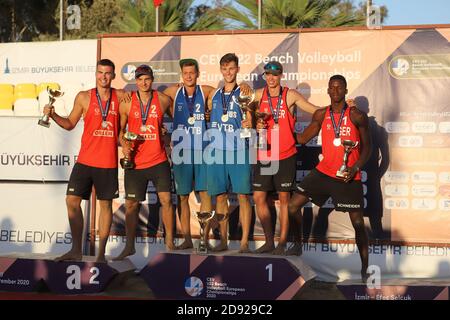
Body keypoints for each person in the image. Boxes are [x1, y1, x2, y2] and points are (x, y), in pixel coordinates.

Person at [44, 59, 129, 262]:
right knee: (71, 201)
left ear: (114, 76)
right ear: (95, 73)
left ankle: (100, 255)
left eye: (108, 73)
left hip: (107, 162)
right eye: (100, 72)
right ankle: (76, 250)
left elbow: (143, 97)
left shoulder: (121, 96)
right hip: (85, 161)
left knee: (105, 206)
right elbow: (70, 123)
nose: (103, 77)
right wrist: (53, 115)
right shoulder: (84, 97)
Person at [288, 75, 371, 280]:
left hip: (347, 176)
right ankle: (298, 244)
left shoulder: (357, 115)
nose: (335, 91)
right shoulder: (321, 114)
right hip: (324, 172)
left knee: (359, 224)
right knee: (292, 206)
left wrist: (355, 167)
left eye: (339, 87)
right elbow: (302, 138)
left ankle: (365, 269)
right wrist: (283, 124)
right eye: (332, 88)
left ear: (345, 90)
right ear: (327, 91)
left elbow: (368, 148)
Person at [251, 61, 319, 255]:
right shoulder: (257, 95)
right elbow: (246, 117)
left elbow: (316, 110)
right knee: (259, 196)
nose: (271, 79)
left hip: (286, 153)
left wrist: (341, 106)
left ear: (281, 76)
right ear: (265, 76)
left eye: (275, 75)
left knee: (284, 200)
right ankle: (269, 241)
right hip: (264, 152)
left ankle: (282, 242)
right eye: (268, 75)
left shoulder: (290, 95)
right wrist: (254, 124)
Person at [113, 65, 175, 260]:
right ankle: (129, 246)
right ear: (136, 81)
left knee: (166, 201)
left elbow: (180, 122)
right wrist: (124, 145)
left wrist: (166, 135)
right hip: (135, 162)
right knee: (131, 204)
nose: (143, 82)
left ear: (152, 79)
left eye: (146, 78)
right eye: (139, 79)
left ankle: (170, 243)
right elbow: (119, 132)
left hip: (158, 160)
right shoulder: (127, 102)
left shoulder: (163, 100)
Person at [203, 53, 253, 253]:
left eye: (232, 68)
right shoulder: (214, 94)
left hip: (239, 150)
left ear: (237, 69)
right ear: (221, 70)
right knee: (221, 197)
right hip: (217, 151)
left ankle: (244, 243)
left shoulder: (245, 92)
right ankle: (223, 241)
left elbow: (250, 118)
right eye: (225, 69)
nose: (228, 72)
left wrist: (249, 122)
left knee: (243, 197)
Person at [163, 59, 215, 250]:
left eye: (192, 72)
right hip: (182, 151)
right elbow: (151, 98)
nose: (189, 76)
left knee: (206, 195)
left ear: (198, 73)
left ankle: (204, 239)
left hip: (203, 150)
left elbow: (226, 94)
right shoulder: (172, 92)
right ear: (181, 74)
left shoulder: (206, 90)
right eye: (185, 73)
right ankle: (186, 238)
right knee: (182, 196)